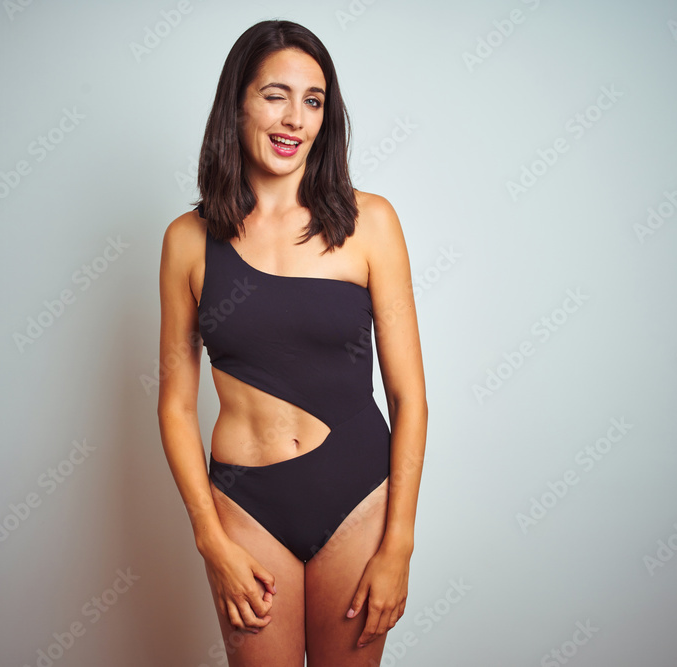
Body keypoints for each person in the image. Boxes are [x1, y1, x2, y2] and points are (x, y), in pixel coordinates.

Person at [157, 19, 427, 666]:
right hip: (246, 508)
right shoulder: (187, 241)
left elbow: (408, 396)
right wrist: (209, 539)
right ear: (238, 102)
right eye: (275, 94)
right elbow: (172, 402)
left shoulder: (372, 224)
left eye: (313, 100)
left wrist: (400, 544)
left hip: (359, 498)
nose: (295, 118)